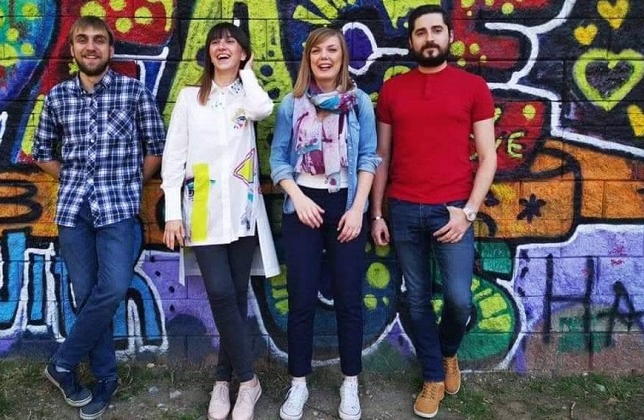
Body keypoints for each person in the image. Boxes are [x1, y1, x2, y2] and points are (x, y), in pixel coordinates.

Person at [31, 16, 165, 420]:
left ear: (110, 48)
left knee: (113, 287)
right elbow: (43, 152)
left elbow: (155, 148)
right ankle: (106, 378)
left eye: (99, 40)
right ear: (72, 49)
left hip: (118, 210)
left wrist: (128, 183)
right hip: (73, 212)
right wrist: (75, 178)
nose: (91, 47)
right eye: (83, 40)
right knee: (87, 295)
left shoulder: (133, 92)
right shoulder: (57, 97)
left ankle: (62, 363)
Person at [370, 4, 497, 419]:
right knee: (417, 299)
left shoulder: (473, 87)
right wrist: (377, 213)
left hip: (453, 212)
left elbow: (488, 158)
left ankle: (447, 352)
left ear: (449, 36)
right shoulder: (393, 91)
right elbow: (382, 156)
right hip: (404, 209)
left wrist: (468, 212)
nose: (429, 38)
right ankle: (432, 376)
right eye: (421, 32)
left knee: (459, 299)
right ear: (411, 40)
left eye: (436, 30)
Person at [161, 22, 279, 420]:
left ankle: (221, 381)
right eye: (216, 42)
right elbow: (173, 159)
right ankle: (249, 381)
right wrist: (173, 214)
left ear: (243, 53)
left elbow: (264, 109)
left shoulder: (247, 96)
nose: (222, 47)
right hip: (203, 210)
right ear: (208, 52)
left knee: (236, 296)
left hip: (243, 212)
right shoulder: (189, 97)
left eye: (231, 42)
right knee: (221, 294)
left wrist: (247, 71)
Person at [270, 27, 380, 420]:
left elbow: (368, 157)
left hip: (347, 204)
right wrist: (298, 198)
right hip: (303, 204)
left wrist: (358, 209)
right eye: (317, 51)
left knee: (349, 296)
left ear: (342, 57)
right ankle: (298, 382)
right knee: (300, 297)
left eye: (332, 50)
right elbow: (278, 160)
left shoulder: (359, 103)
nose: (324, 57)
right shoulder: (292, 104)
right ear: (308, 58)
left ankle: (350, 382)